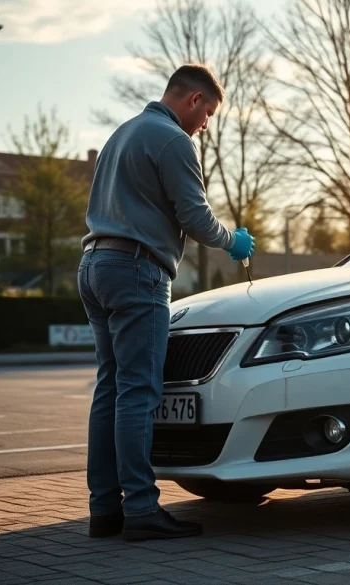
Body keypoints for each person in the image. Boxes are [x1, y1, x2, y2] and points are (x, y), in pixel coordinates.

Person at [78, 64, 254, 541]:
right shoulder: (174, 139)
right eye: (208, 113)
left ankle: (104, 509)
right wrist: (232, 241)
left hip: (94, 264)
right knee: (138, 391)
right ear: (194, 99)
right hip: (137, 270)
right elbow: (194, 216)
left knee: (110, 389)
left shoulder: (122, 134)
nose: (206, 125)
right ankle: (140, 509)